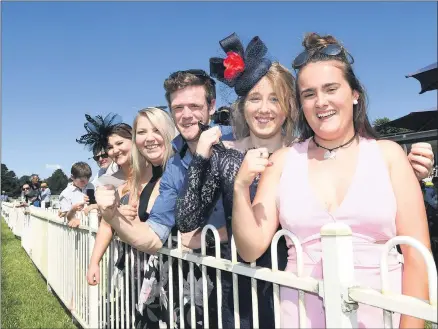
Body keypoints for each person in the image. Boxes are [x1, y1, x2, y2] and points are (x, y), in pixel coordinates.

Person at [232, 32, 431, 328]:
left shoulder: (389, 156)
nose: (320, 102)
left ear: (354, 94)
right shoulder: (284, 161)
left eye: (330, 89)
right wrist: (239, 187)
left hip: (381, 315)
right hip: (299, 315)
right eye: (309, 94)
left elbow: (417, 259)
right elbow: (250, 248)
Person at [175, 32, 293, 329]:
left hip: (295, 290)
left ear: (289, 106)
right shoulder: (225, 156)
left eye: (274, 99)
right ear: (242, 106)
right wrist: (201, 156)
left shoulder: (304, 154)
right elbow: (188, 219)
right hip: (238, 296)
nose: (264, 109)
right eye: (255, 98)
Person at [88, 107, 178, 328]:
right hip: (132, 260)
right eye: (109, 147)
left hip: (162, 258)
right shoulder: (110, 181)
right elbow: (106, 226)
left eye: (120, 143)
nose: (114, 150)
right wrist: (94, 262)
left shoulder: (156, 167)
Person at [59, 162, 93, 228]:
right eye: (82, 181)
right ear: (72, 177)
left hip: (92, 225)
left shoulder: (91, 186)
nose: (86, 183)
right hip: (76, 229)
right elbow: (65, 215)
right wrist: (73, 209)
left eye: (88, 179)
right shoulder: (65, 194)